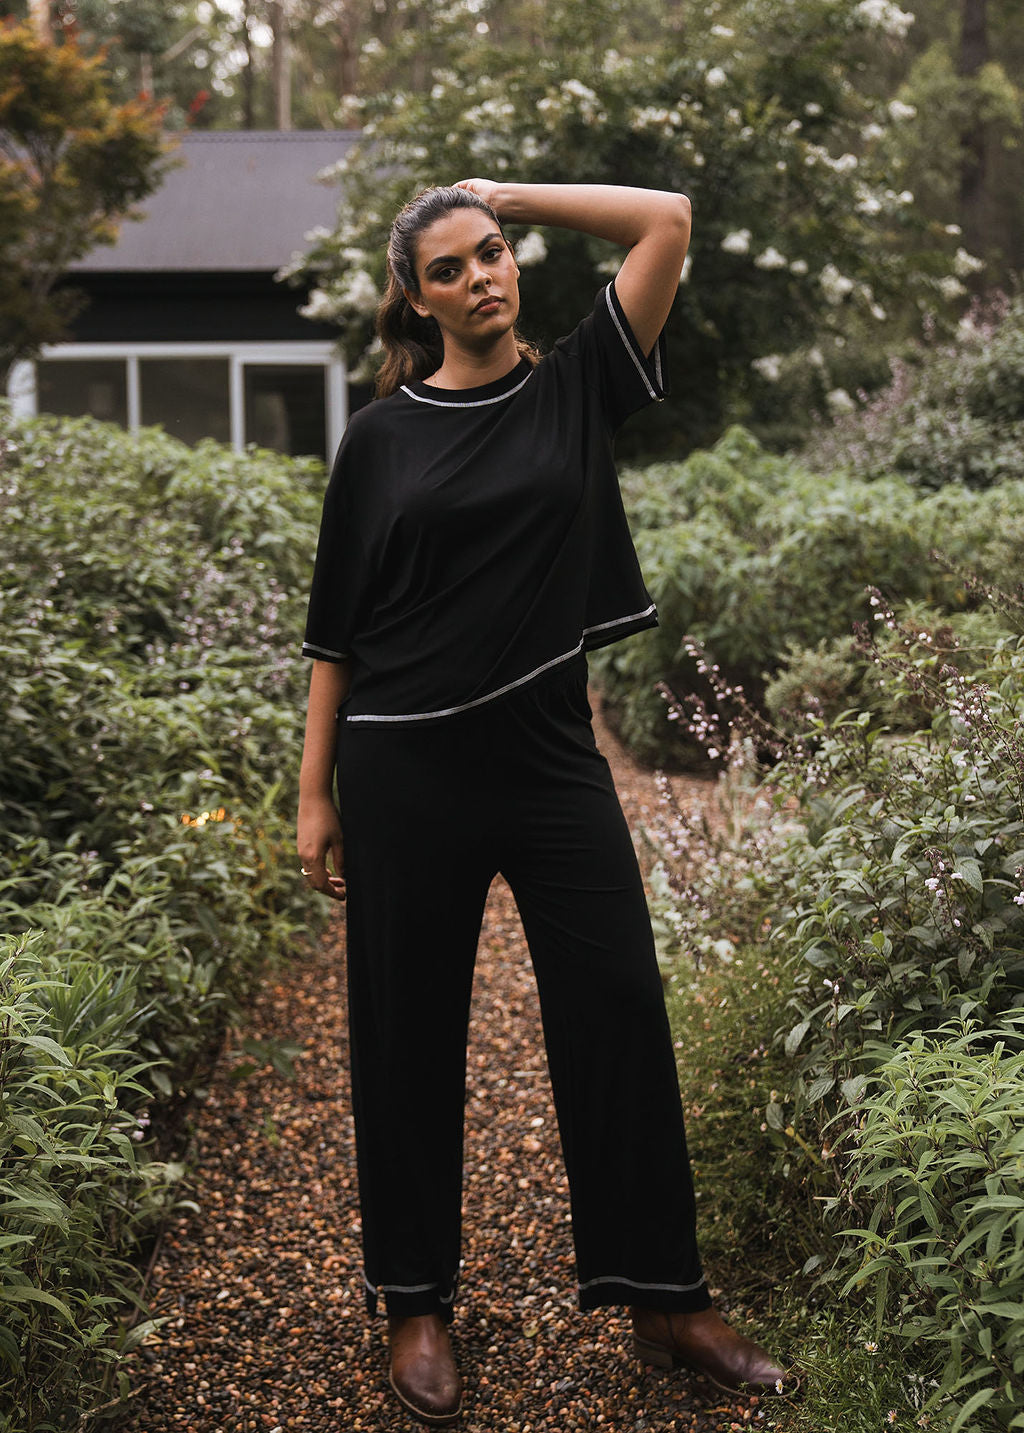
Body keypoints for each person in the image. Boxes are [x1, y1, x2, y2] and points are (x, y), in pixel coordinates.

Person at [296, 179, 791, 1427]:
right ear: (416, 298)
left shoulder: (577, 383)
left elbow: (666, 219)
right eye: (450, 267)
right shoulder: (380, 439)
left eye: (493, 252)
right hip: (403, 763)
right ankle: (415, 1300)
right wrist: (313, 790)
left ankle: (665, 1297)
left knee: (617, 1001)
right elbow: (335, 630)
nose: (482, 276)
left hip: (549, 754)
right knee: (407, 1033)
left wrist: (506, 191)